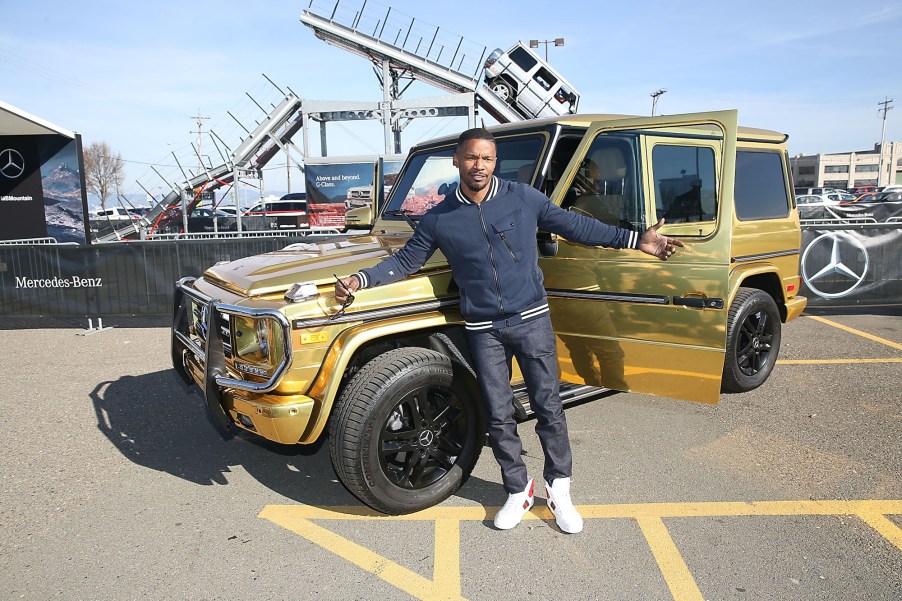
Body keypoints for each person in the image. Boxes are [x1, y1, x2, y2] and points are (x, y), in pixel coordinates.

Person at [335, 127, 683, 533]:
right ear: (457, 160)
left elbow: (575, 226)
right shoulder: (438, 218)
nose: (478, 165)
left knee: (549, 408)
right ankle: (518, 489)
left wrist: (634, 239)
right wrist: (361, 280)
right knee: (499, 416)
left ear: (493, 162)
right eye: (471, 157)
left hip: (532, 319)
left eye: (486, 158)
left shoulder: (522, 197)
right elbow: (405, 261)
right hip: (484, 330)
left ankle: (560, 488)